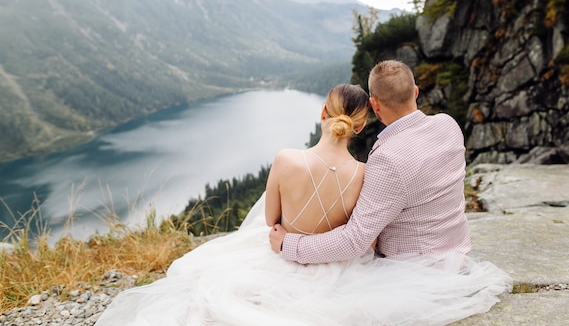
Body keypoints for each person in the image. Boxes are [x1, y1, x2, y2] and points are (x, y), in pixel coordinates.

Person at [95, 81, 511, 326]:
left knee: (201, 283)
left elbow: (271, 221)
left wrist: (285, 241)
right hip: (338, 265)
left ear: (322, 114)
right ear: (361, 124)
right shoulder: (366, 173)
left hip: (285, 250)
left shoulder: (285, 159)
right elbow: (362, 238)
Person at [270, 59, 471, 262]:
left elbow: (356, 240)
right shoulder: (448, 124)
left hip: (415, 266)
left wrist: (289, 244)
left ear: (374, 105)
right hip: (458, 249)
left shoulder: (387, 159)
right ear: (415, 92)